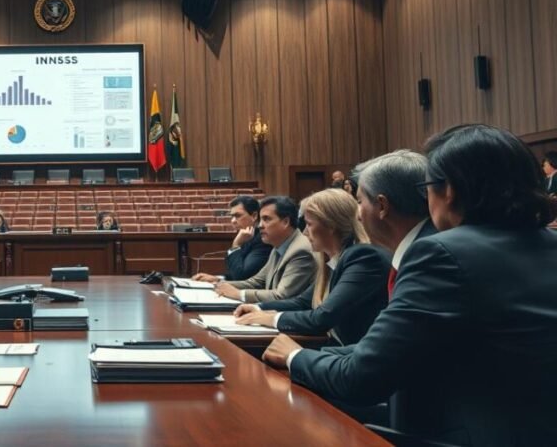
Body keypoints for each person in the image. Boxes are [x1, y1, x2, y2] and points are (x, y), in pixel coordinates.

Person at [264, 124, 557, 445]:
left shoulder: (443, 252)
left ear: (448, 192)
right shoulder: (546, 244)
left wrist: (296, 356)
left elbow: (363, 378)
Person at [233, 189, 389, 346]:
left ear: (330, 225)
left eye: (309, 224)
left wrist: (272, 318)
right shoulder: (332, 261)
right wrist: (257, 308)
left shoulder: (364, 257)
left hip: (354, 357)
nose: (305, 232)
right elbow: (302, 303)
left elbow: (322, 317)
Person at [353, 149, 437, 298]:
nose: (358, 216)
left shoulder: (427, 257)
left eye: (360, 202)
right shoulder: (420, 246)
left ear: (382, 206)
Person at [213, 196, 315, 303]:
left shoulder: (300, 251)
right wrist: (218, 285)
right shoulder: (279, 245)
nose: (260, 225)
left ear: (285, 222)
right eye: (260, 219)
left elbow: (281, 296)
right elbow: (256, 282)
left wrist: (239, 294)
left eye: (266, 219)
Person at [194, 195, 272, 281]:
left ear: (254, 216)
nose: (233, 221)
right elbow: (234, 273)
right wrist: (217, 278)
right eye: (232, 216)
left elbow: (242, 276)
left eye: (237, 216)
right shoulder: (247, 237)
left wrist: (236, 245)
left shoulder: (263, 240)